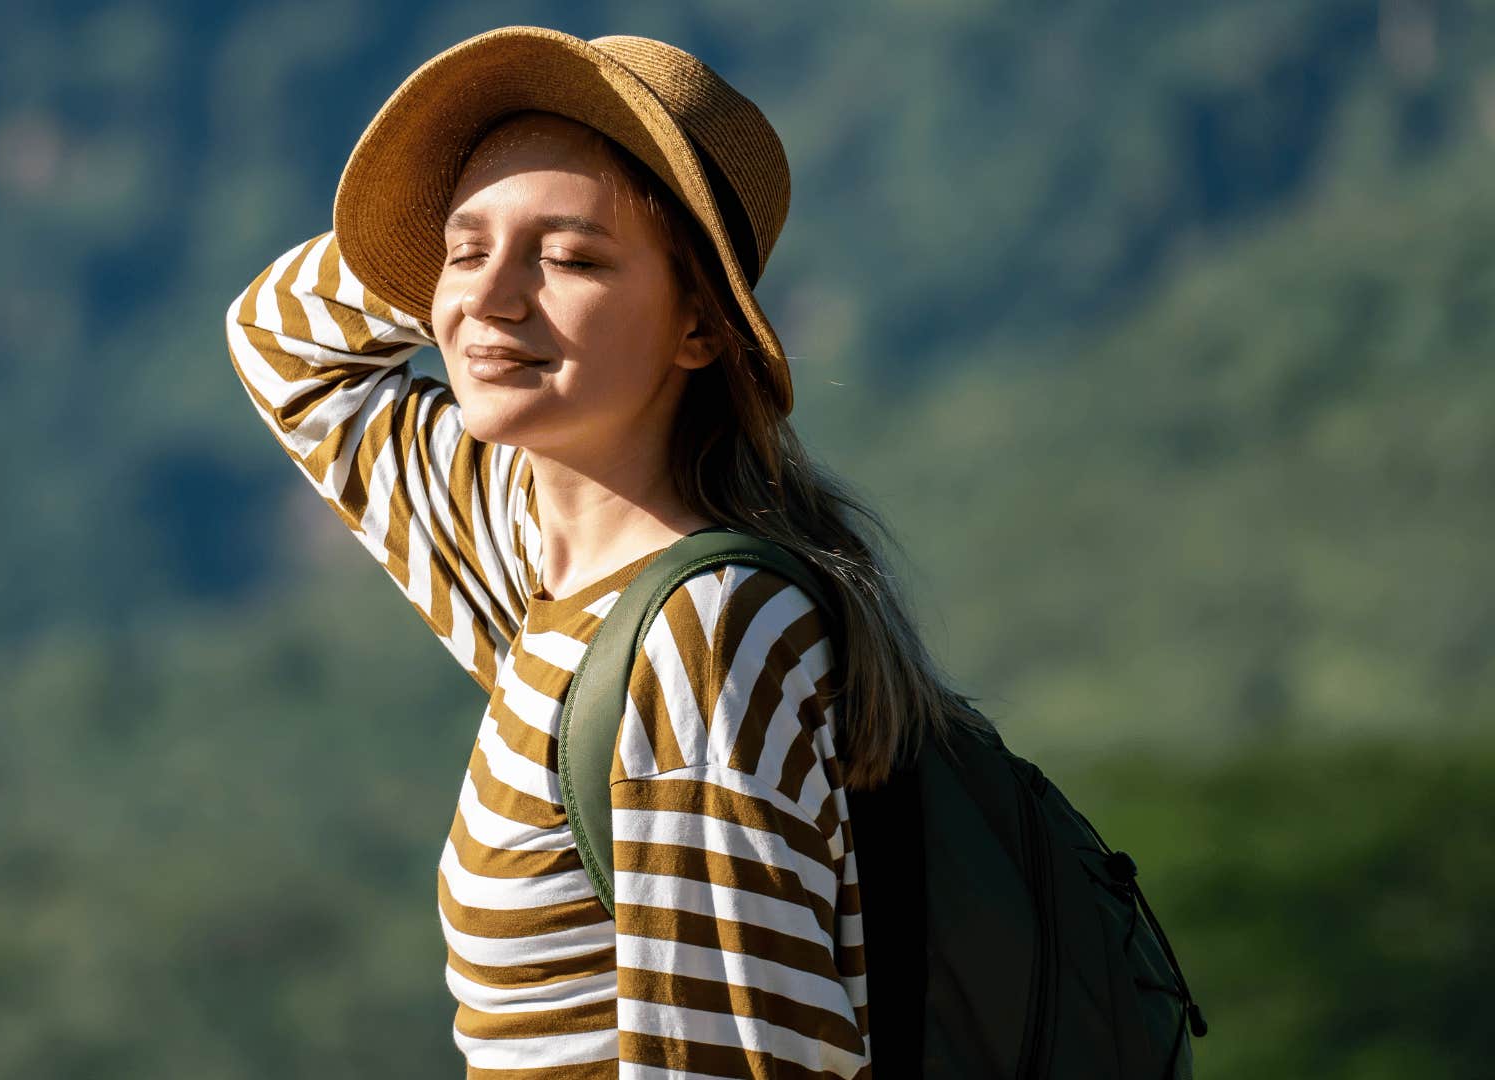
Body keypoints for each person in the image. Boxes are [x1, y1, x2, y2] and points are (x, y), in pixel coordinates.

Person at [226, 26, 975, 1078]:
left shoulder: (701, 637)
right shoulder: (530, 547)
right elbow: (282, 339)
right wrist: (438, 238)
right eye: (464, 249)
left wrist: (483, 236)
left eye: (573, 258)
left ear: (700, 329)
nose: (491, 300)